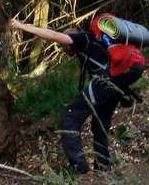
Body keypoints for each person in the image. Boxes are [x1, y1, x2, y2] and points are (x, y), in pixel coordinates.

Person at [10, 17, 138, 174]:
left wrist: (23, 26)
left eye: (62, 46)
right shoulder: (95, 42)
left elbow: (53, 35)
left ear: (68, 43)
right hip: (117, 85)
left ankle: (79, 165)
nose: (62, 49)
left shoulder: (81, 39)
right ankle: (103, 167)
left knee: (69, 116)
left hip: (104, 83)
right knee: (99, 125)